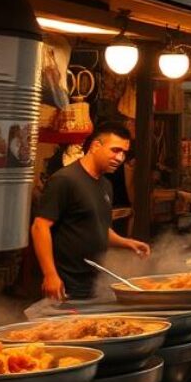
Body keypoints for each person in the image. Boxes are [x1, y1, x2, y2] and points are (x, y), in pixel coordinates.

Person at [31, 122, 151, 304]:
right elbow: (40, 227)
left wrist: (127, 243)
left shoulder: (106, 185)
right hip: (66, 284)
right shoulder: (65, 180)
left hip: (96, 282)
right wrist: (50, 274)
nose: (120, 158)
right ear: (95, 146)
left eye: (124, 153)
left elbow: (98, 227)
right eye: (115, 150)